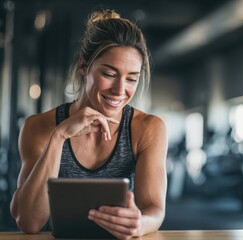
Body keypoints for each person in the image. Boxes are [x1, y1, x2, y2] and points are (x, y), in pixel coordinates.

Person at [10, 9, 168, 240]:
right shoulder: (38, 127)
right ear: (84, 67)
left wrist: (141, 223)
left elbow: (154, 210)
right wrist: (59, 135)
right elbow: (29, 222)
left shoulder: (148, 128)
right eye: (109, 73)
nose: (120, 90)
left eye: (132, 78)